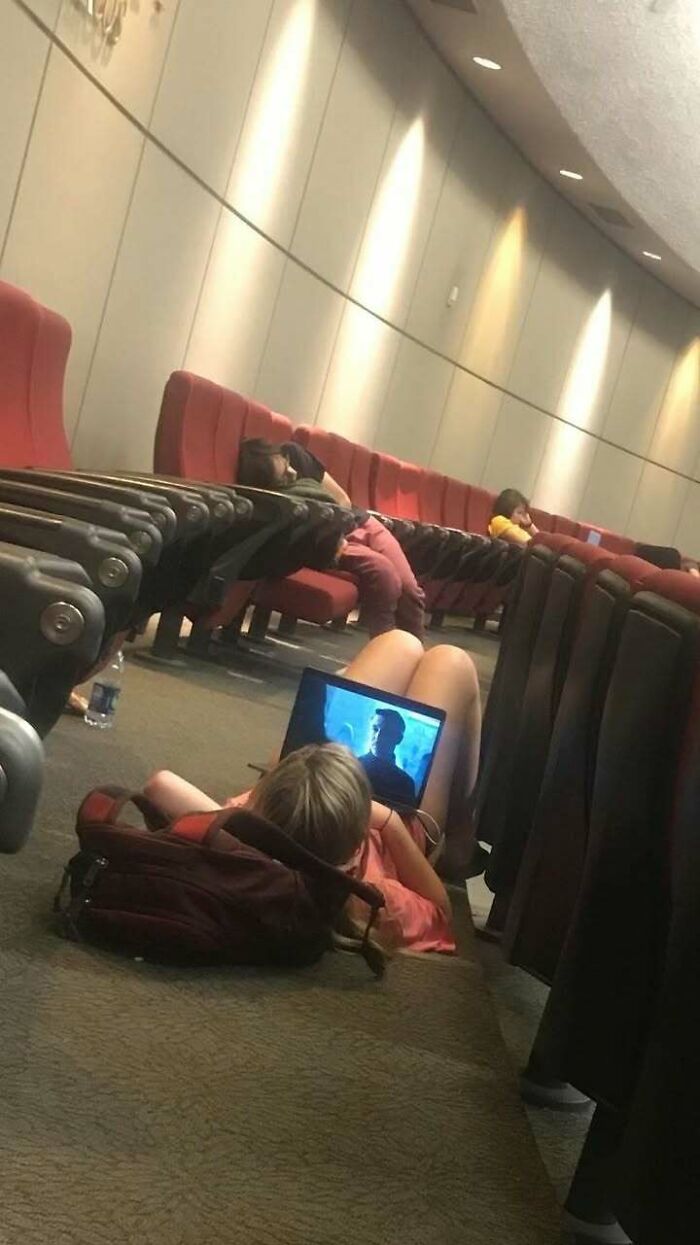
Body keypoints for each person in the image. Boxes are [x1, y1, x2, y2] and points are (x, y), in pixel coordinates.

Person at [143, 631, 482, 954]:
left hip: (310, 787)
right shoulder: (372, 899)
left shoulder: (247, 845)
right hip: (399, 828)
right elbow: (440, 911)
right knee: (450, 661)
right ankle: (463, 832)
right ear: (352, 857)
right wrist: (389, 822)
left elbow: (160, 786)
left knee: (400, 643)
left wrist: (255, 834)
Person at [237, 438, 425, 639]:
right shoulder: (273, 497)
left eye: (287, 464)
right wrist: (336, 539)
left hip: (357, 522)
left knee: (410, 590)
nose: (292, 472)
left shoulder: (295, 452)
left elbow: (342, 499)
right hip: (327, 540)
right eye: (284, 477)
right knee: (386, 577)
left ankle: (419, 657)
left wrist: (341, 529)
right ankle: (388, 651)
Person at [358, 707, 416, 806]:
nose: (378, 737)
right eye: (375, 729)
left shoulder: (405, 784)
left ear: (398, 739)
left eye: (386, 732)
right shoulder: (351, 767)